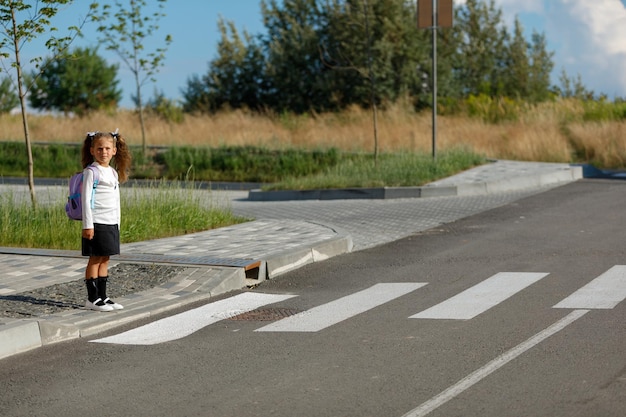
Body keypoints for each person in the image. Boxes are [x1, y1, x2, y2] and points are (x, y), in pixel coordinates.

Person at [80, 129, 132, 312]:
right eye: (100, 148)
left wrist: (117, 223)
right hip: (96, 223)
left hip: (111, 223)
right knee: (95, 259)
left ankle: (103, 296)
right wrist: (88, 225)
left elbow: (116, 201)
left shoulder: (112, 173)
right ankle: (92, 298)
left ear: (114, 150)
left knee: (105, 259)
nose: (104, 152)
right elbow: (85, 200)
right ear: (92, 150)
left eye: (108, 148)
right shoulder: (91, 172)